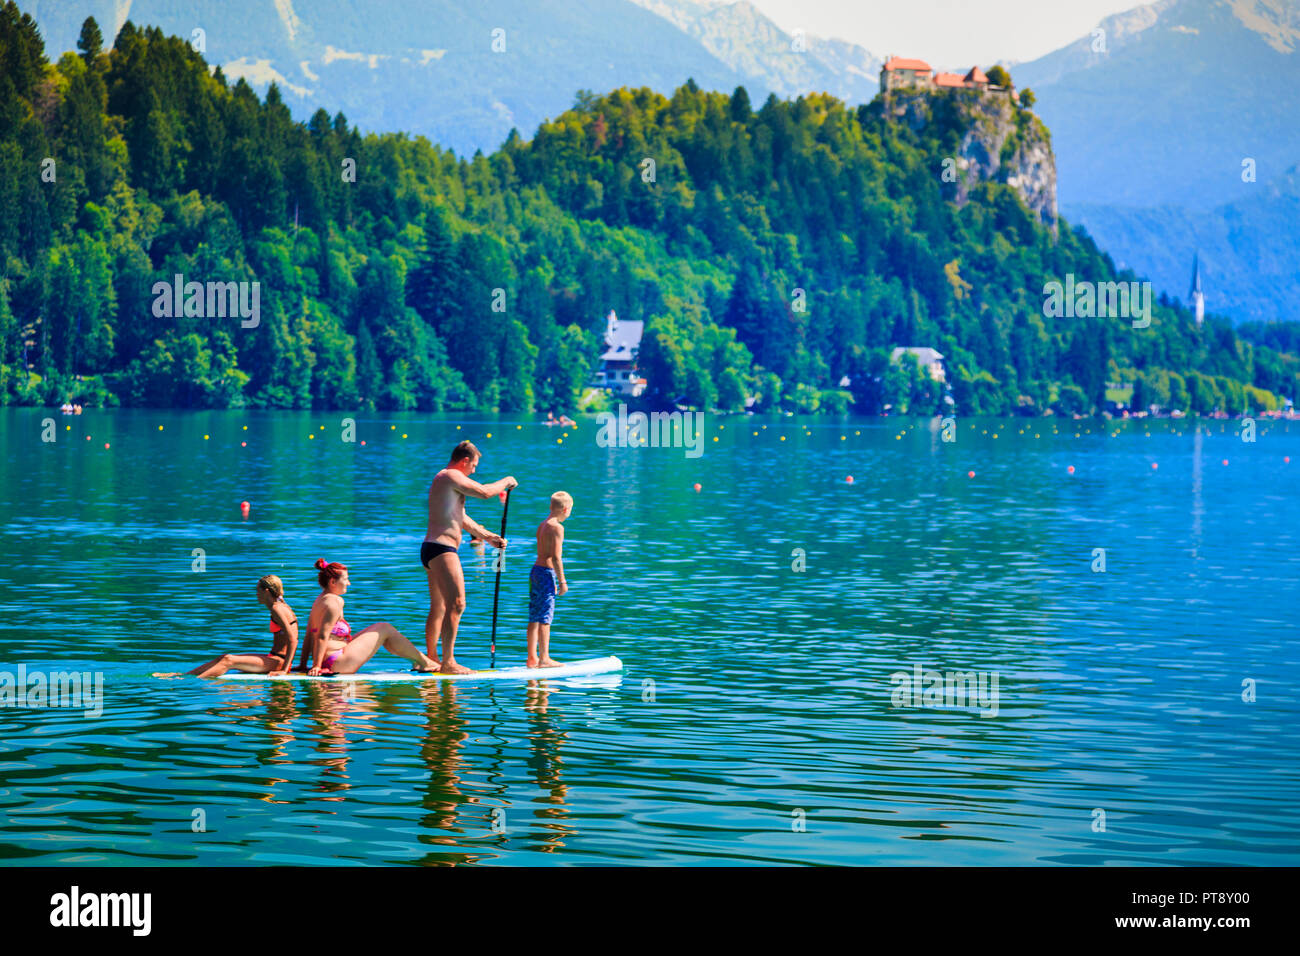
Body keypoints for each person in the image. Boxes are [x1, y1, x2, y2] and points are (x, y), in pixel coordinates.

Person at [421, 440, 516, 674]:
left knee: (440, 607)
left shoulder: (446, 482)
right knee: (458, 603)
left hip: (432, 548)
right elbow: (484, 492)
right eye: (473, 465)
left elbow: (460, 517)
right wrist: (505, 481)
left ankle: (431, 660)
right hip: (442, 549)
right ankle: (449, 662)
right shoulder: (449, 476)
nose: (474, 470)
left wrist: (487, 536)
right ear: (464, 461)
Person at [301, 559, 437, 675]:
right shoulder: (335, 602)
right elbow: (322, 636)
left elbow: (309, 635)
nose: (349, 583)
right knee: (385, 628)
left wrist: (303, 664)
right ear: (332, 582)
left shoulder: (319, 600)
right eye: (346, 579)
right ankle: (424, 662)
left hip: (331, 657)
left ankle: (420, 661)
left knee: (380, 629)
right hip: (337, 662)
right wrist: (317, 667)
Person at [153, 575, 299, 678]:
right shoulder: (281, 604)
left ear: (266, 591)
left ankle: (192, 684)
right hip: (273, 657)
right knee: (224, 657)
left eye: (258, 591)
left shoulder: (277, 608)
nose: (256, 594)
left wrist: (285, 670)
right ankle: (183, 676)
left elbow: (293, 640)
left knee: (229, 660)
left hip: (278, 662)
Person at [527, 491, 572, 668]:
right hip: (546, 573)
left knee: (534, 616)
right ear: (566, 509)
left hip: (535, 571)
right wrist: (562, 582)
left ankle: (532, 658)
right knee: (545, 617)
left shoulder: (542, 525)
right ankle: (544, 658)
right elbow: (556, 557)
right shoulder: (557, 528)